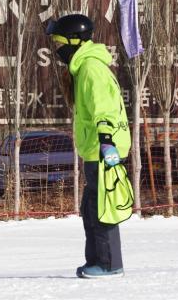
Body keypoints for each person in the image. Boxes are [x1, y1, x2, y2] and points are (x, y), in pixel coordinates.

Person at [46, 14, 132, 278]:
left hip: (102, 150)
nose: (58, 49)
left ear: (76, 41)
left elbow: (102, 107)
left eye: (60, 42)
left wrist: (107, 142)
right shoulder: (84, 67)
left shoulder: (91, 68)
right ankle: (96, 260)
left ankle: (109, 264)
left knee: (102, 209)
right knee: (91, 207)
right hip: (94, 150)